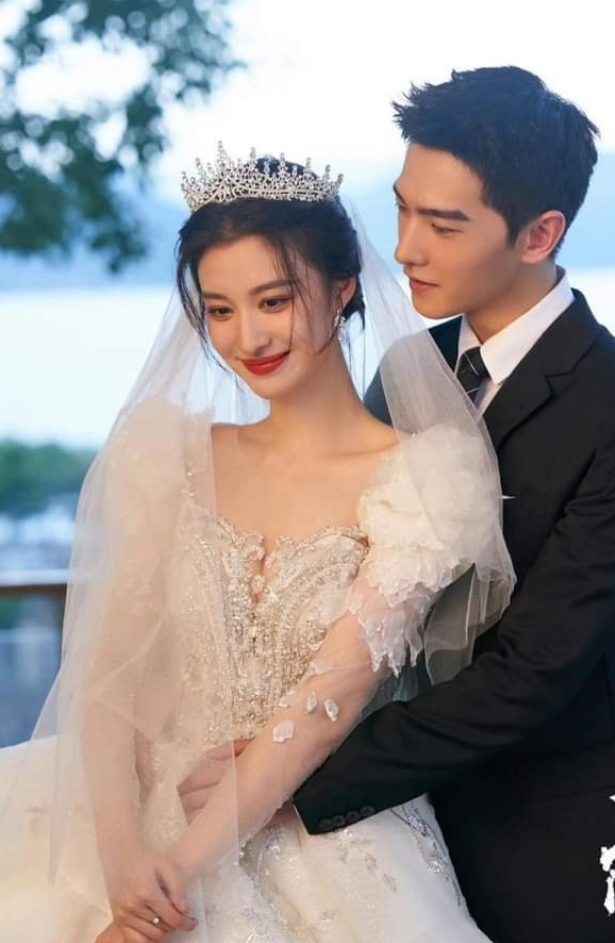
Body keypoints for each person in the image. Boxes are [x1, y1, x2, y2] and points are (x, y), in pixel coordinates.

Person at [0, 147, 515, 942]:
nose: (248, 336)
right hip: (132, 821)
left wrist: (177, 876)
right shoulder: (168, 460)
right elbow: (106, 679)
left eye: (274, 300)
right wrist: (124, 861)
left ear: (342, 288)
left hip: (320, 834)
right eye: (220, 310)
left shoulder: (423, 480)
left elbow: (323, 709)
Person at [282, 67, 615, 942]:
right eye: (401, 210)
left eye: (442, 225)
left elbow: (534, 669)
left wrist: (297, 776)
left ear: (540, 232)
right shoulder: (407, 369)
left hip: (582, 826)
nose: (406, 248)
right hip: (418, 824)